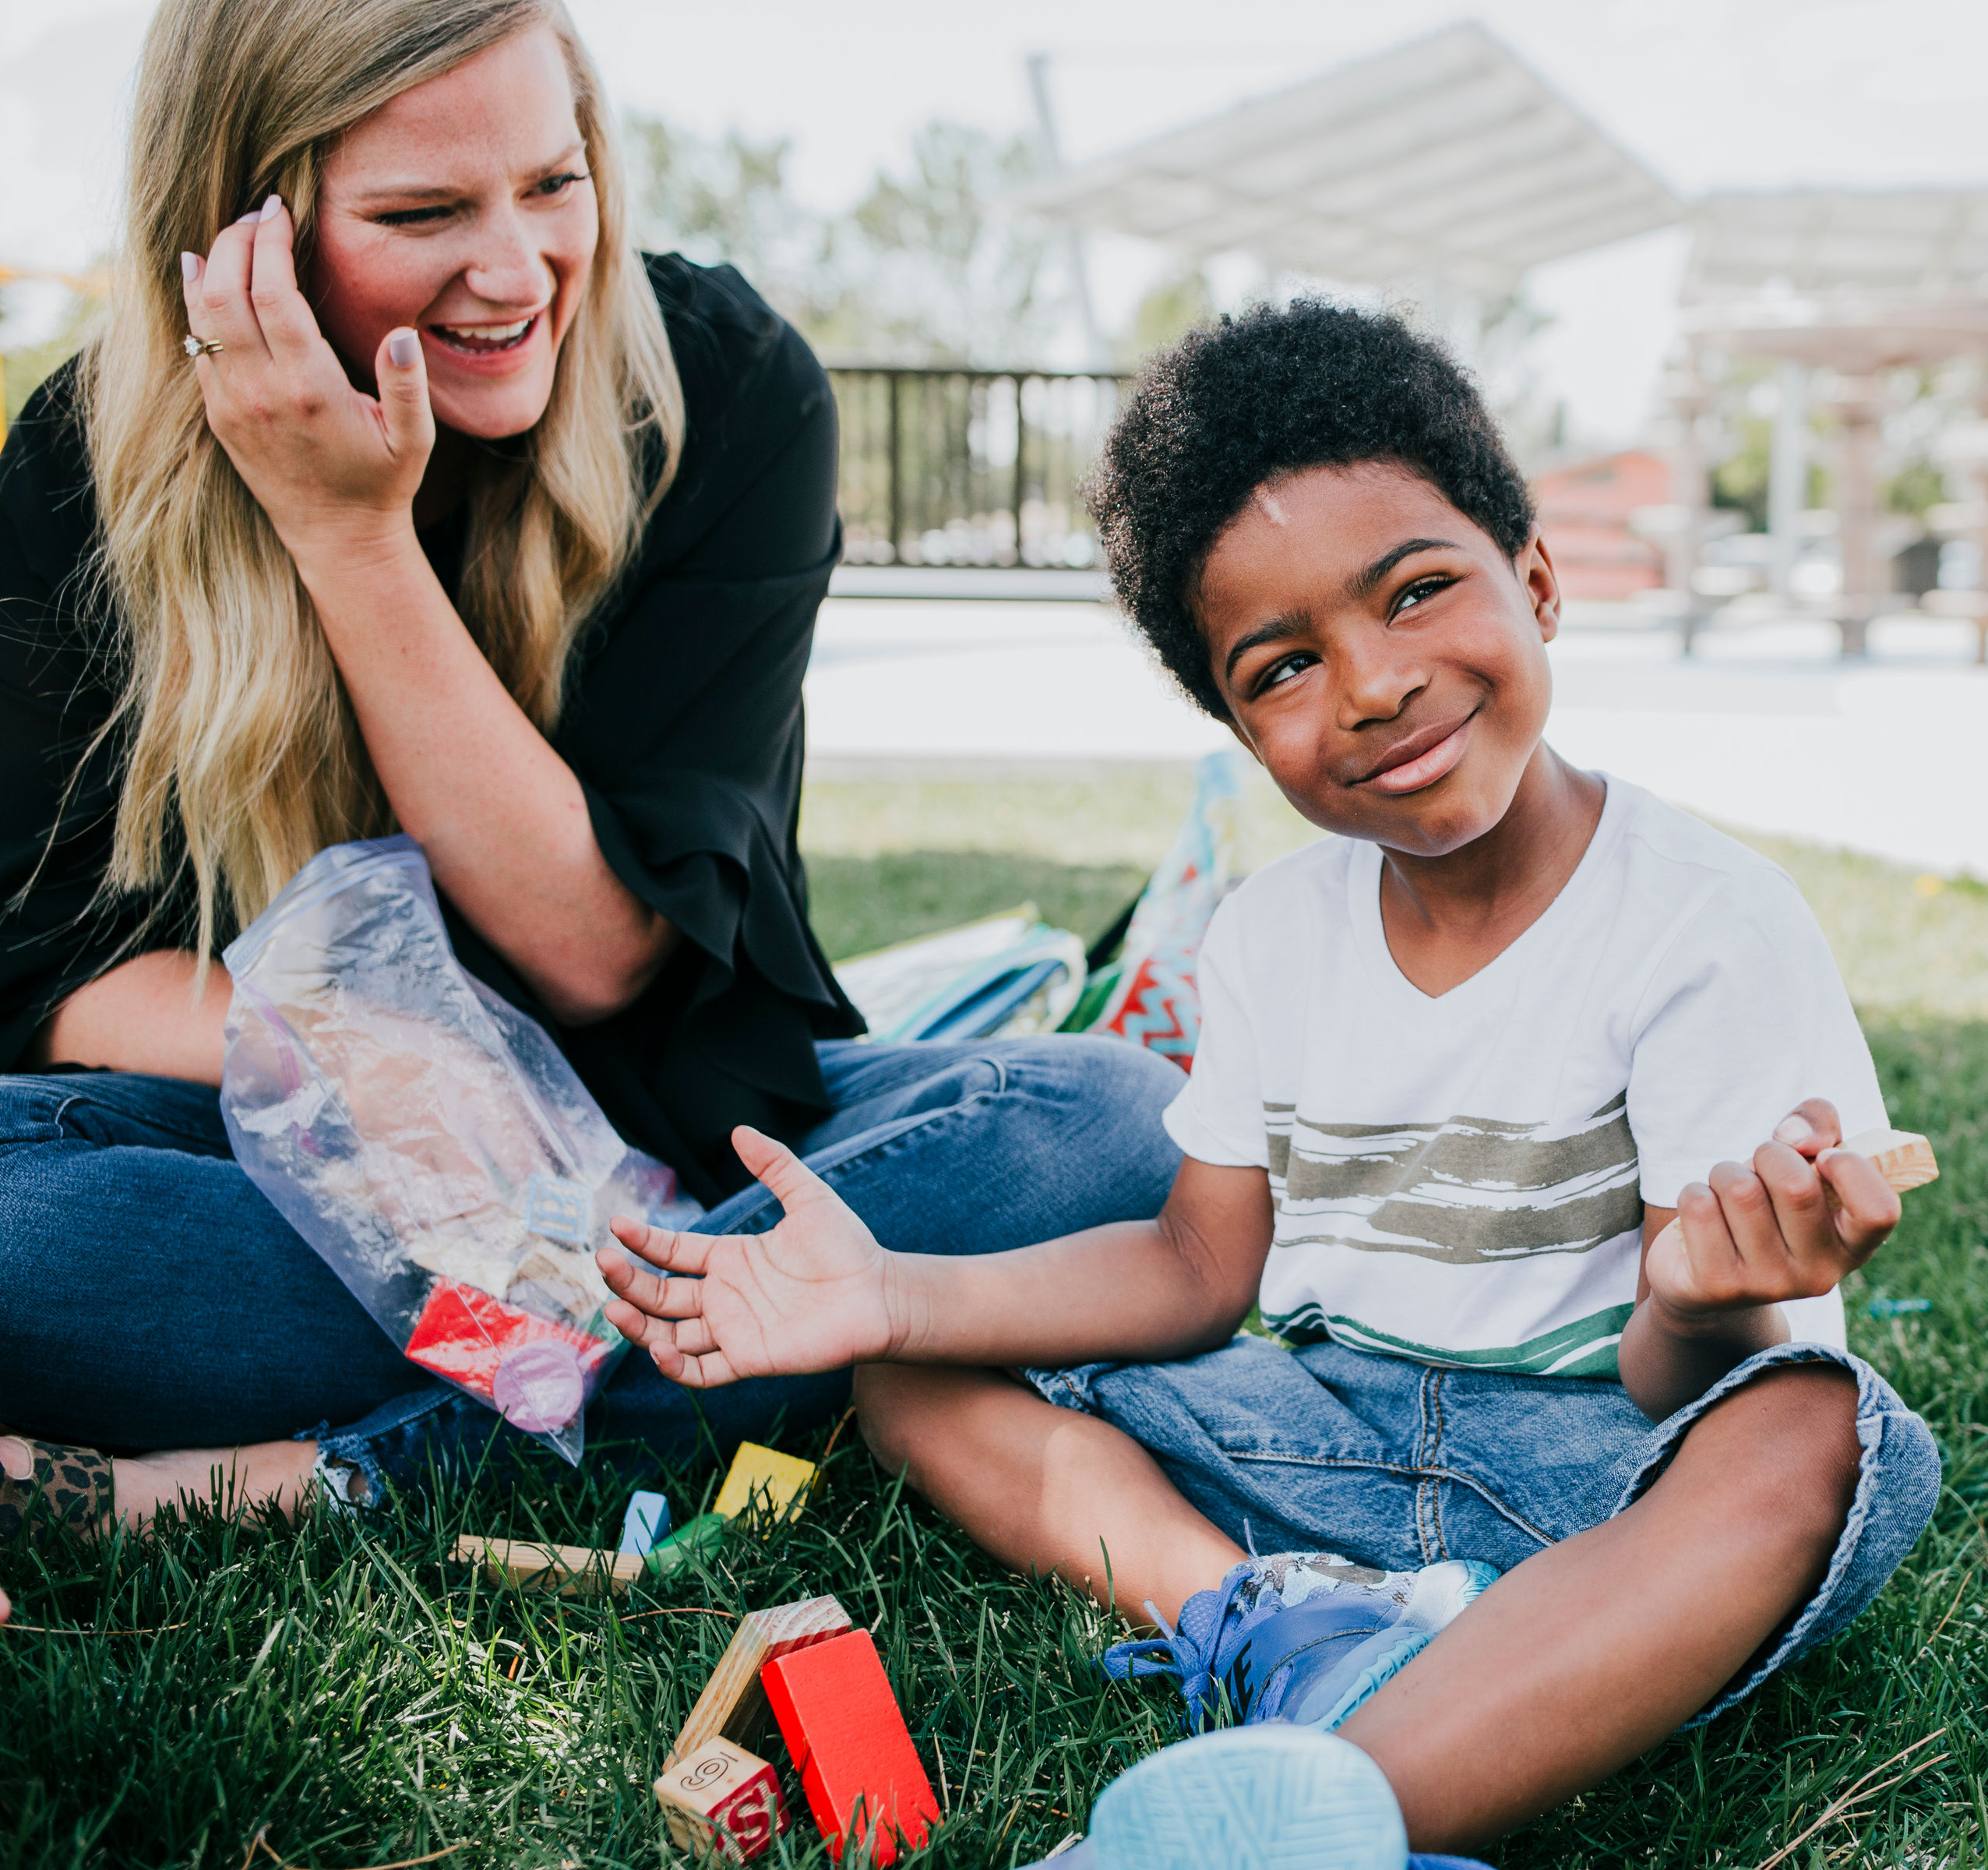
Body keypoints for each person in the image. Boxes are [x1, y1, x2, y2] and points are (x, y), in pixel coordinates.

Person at [593, 302, 1942, 1868]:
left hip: (1596, 1469)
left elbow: (1687, 1390)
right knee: (907, 1381)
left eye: (1420, 591)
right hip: (1323, 1445)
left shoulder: (1706, 923)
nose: (1371, 687)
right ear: (1238, 724)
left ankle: (1317, 1820)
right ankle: (1271, 1625)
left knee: (1824, 1439)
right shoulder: (1271, 938)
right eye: (1285, 665)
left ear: (1541, 583)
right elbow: (1191, 1272)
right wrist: (891, 1296)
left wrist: (1709, 1298)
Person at [0, 0, 1183, 1555]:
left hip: (679, 1154)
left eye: (554, 185)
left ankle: (339, 1470)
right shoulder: (87, 458)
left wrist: (350, 540)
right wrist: (369, 1077)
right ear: (242, 240)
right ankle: (757, 1345)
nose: (516, 269)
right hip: (291, 1177)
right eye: (424, 213)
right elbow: (48, 957)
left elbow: (598, 947)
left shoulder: (722, 388)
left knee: (1112, 1128)